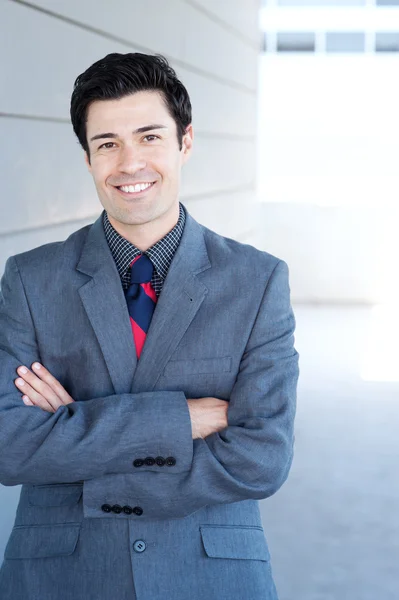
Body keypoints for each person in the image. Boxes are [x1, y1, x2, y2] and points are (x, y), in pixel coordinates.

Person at [0, 53, 299, 600]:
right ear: (88, 158)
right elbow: (10, 445)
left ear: (185, 142)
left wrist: (71, 429)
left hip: (210, 574)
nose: (130, 163)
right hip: (61, 576)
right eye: (107, 143)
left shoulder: (257, 282)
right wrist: (179, 419)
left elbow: (261, 458)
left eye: (150, 136)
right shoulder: (29, 280)